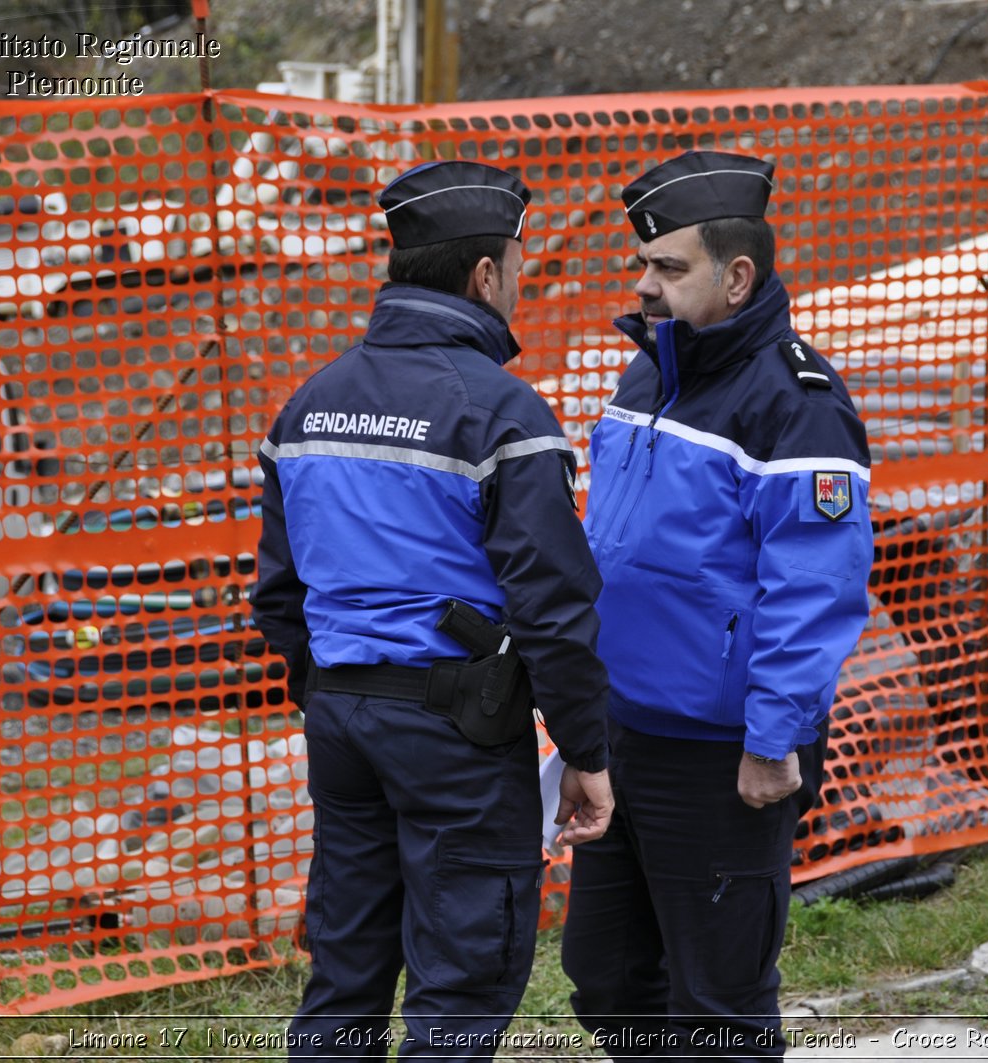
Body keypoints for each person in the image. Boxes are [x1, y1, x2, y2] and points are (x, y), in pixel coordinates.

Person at [252, 160, 615, 1060]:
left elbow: (277, 591)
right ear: (485, 276)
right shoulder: (502, 412)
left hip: (341, 718)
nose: (520, 283)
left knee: (344, 978)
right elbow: (553, 603)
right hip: (457, 728)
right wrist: (585, 749)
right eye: (518, 265)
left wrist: (334, 692)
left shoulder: (309, 403)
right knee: (460, 983)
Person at [561, 150, 873, 1059]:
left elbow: (815, 588)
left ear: (736, 276)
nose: (644, 285)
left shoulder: (797, 403)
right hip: (626, 731)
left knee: (718, 999)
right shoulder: (647, 373)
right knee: (609, 973)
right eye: (643, 265)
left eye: (667, 267)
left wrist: (774, 738)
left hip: (726, 753)